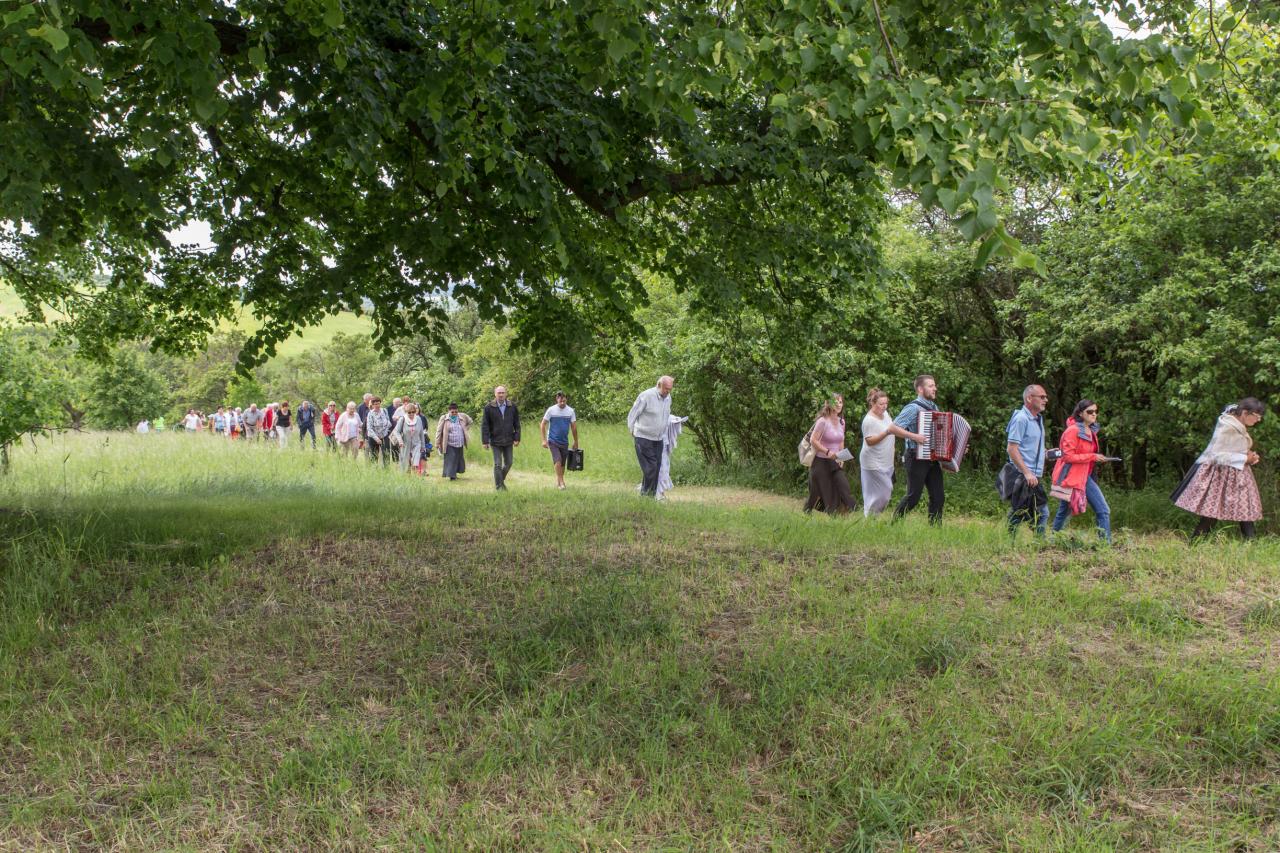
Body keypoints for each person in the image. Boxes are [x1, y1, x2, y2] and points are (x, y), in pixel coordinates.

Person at [1174, 398, 1266, 541]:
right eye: (1256, 416)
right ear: (1245, 413)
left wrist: (1250, 456)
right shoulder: (1227, 426)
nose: (1258, 420)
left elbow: (1234, 448)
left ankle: (1251, 542)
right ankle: (1195, 543)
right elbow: (1216, 455)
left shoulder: (1238, 424)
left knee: (1245, 509)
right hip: (1220, 475)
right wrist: (1244, 459)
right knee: (1213, 512)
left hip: (1238, 474)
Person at [1049, 399, 1113, 543]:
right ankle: (1105, 545)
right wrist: (1092, 456)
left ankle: (1052, 541)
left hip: (1084, 476)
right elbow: (1067, 456)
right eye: (1090, 411)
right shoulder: (1073, 430)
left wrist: (1097, 458)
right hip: (1072, 476)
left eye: (1096, 411)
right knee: (1101, 510)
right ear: (1080, 413)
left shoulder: (1090, 430)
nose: (1094, 414)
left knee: (1065, 511)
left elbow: (1085, 455)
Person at [860, 388, 926, 517]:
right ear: (873, 403)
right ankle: (870, 517)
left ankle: (872, 518)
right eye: (881, 404)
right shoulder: (868, 420)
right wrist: (886, 432)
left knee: (884, 493)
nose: (884, 406)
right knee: (882, 492)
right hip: (873, 461)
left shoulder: (885, 414)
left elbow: (894, 430)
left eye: (886, 403)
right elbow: (870, 441)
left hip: (886, 460)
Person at [893, 374, 945, 524]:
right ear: (920, 389)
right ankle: (894, 524)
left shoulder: (934, 407)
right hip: (915, 456)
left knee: (938, 496)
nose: (935, 388)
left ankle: (935, 529)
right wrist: (915, 436)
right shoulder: (913, 408)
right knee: (913, 497)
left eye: (934, 385)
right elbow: (893, 428)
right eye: (931, 386)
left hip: (932, 457)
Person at [1006, 384, 1050, 537]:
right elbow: (1012, 448)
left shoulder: (1037, 419)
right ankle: (1037, 543)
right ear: (1029, 398)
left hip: (1033, 475)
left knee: (1025, 511)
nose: (1046, 400)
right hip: (1023, 475)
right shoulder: (1021, 419)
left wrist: (1045, 453)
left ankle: (1011, 540)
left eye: (1046, 397)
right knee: (1038, 512)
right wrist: (1027, 473)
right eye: (1042, 397)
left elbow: (1028, 446)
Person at [804, 395, 858, 515]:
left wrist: (841, 457)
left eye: (840, 402)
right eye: (836, 402)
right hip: (820, 462)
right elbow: (813, 440)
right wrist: (828, 452)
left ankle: (849, 510)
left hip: (834, 461)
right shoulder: (822, 421)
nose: (839, 404)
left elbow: (841, 441)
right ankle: (808, 510)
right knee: (817, 492)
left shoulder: (841, 422)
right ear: (829, 404)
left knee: (843, 485)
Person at [627, 376, 674, 497]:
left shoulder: (668, 398)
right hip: (643, 437)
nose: (668, 391)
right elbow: (633, 413)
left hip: (659, 439)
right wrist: (632, 429)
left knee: (656, 468)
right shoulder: (646, 396)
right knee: (650, 467)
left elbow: (665, 415)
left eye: (670, 389)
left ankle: (650, 496)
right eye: (666, 389)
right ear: (659, 385)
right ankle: (646, 495)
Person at [481, 385, 521, 490]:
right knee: (498, 464)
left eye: (503, 393)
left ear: (506, 394)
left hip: (509, 440)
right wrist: (485, 441)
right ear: (495, 394)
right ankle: (499, 487)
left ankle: (499, 481)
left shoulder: (512, 406)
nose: (501, 395)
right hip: (495, 441)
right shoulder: (488, 407)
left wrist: (517, 438)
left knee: (509, 463)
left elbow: (517, 423)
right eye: (499, 393)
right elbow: (485, 425)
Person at [540, 391, 579, 490]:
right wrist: (544, 440)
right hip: (552, 440)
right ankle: (562, 482)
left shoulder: (570, 411)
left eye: (564, 401)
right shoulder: (551, 410)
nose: (562, 403)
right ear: (557, 399)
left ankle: (559, 483)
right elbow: (543, 424)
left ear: (566, 399)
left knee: (562, 464)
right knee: (557, 460)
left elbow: (574, 427)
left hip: (564, 441)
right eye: (560, 401)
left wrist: (576, 441)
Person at [435, 402, 472, 480]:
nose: (454, 413)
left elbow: (470, 421)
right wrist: (437, 442)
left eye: (456, 412)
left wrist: (465, 429)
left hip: (459, 443)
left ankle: (454, 474)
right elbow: (439, 431)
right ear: (449, 411)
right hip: (449, 443)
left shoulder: (462, 416)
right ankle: (452, 476)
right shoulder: (444, 418)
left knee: (458, 459)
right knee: (451, 459)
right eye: (452, 412)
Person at [392, 402, 429, 474]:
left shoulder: (418, 419)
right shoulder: (402, 419)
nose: (411, 414)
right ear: (406, 412)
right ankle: (406, 476)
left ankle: (415, 477)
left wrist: (423, 446)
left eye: (413, 412)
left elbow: (421, 433)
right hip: (405, 443)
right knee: (406, 463)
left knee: (415, 463)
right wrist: (400, 441)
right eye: (409, 412)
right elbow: (396, 431)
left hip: (416, 443)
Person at [365, 396, 392, 464]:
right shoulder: (370, 414)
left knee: (386, 455)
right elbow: (369, 428)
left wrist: (386, 427)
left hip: (384, 435)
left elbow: (388, 422)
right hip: (373, 437)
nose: (377, 405)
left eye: (378, 403)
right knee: (374, 456)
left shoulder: (384, 411)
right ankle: (374, 468)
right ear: (372, 405)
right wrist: (377, 439)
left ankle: (386, 469)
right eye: (375, 404)